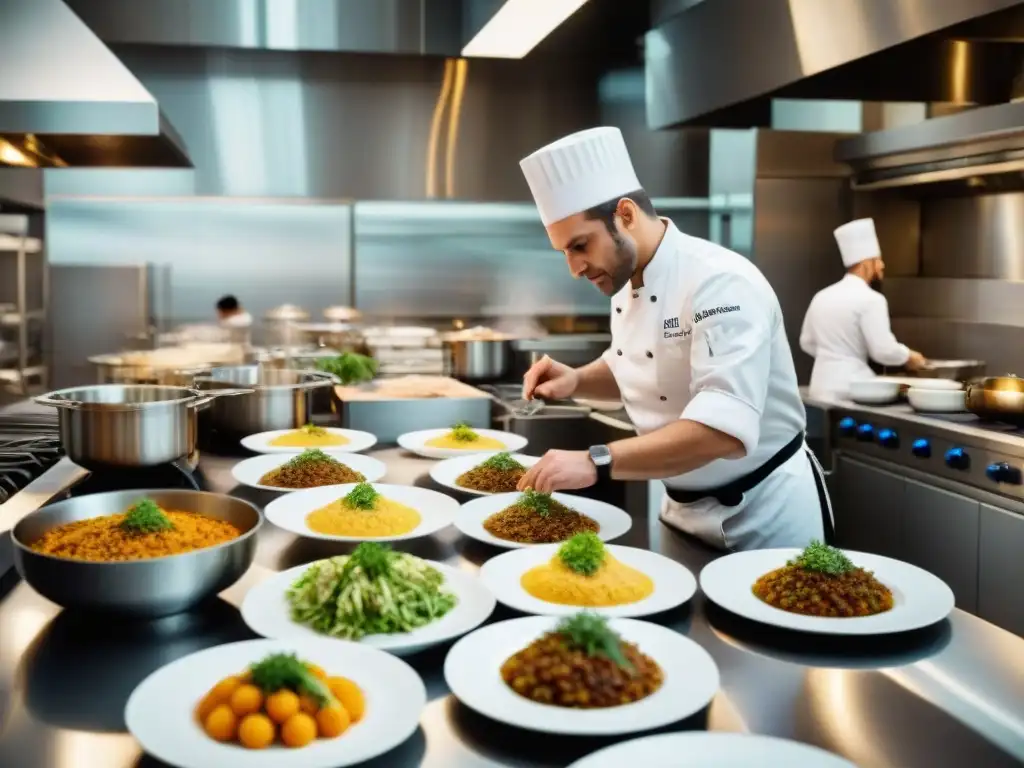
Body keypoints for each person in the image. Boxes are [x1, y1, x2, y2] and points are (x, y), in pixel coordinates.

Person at [515, 126, 831, 551]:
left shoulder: (721, 283)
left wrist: (596, 462)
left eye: (580, 245)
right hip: (680, 509)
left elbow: (724, 429)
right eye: (565, 253)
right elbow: (636, 363)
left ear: (625, 215)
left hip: (764, 516)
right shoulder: (625, 280)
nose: (574, 267)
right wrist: (575, 380)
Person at [800, 218, 925, 401]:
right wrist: (909, 356)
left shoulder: (822, 296)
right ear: (866, 263)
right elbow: (882, 350)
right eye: (878, 260)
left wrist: (834, 357)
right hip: (852, 389)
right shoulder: (872, 300)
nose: (882, 265)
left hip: (820, 386)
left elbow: (806, 341)